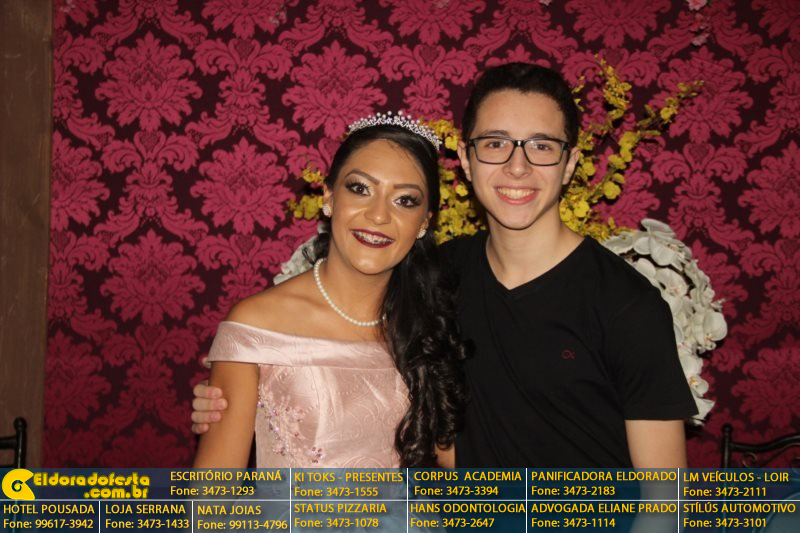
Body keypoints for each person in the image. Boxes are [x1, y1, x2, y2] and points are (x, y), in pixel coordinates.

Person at [193, 63, 697, 468]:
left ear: (569, 164)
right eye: (496, 143)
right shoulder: (437, 280)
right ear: (467, 157)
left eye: (541, 146)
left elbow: (665, 503)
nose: (517, 166)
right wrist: (244, 391)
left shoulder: (627, 305)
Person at [193, 115, 467, 469]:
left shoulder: (430, 324)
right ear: (329, 197)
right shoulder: (257, 324)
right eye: (360, 188)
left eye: (404, 200)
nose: (379, 215)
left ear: (424, 222)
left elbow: (464, 460)